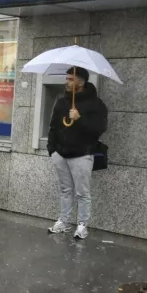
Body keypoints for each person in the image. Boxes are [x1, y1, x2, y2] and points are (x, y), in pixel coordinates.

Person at [47, 66, 108, 240]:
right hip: (60, 153)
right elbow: (53, 127)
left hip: (82, 154)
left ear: (81, 82)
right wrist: (52, 150)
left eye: (70, 79)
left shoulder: (96, 104)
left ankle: (82, 225)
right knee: (65, 190)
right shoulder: (61, 101)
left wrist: (80, 119)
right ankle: (64, 222)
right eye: (66, 78)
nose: (66, 82)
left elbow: (99, 129)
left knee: (82, 192)